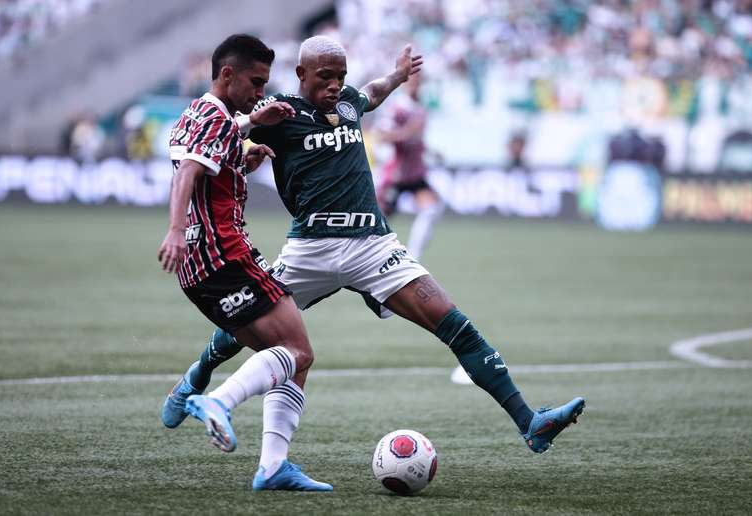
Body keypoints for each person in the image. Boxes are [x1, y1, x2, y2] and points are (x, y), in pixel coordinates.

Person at [163, 35, 585, 485]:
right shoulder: (278, 112)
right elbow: (224, 136)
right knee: (248, 329)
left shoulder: (348, 102)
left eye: (341, 76)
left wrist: (400, 76)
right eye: (325, 77)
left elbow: (375, 91)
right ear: (302, 74)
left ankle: (530, 423)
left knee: (454, 322)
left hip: (372, 244)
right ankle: (197, 376)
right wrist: (252, 137)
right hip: (310, 249)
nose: (334, 85)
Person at [158, 33, 332, 492]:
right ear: (227, 74)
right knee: (299, 353)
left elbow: (206, 159)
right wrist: (174, 228)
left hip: (202, 268)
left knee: (287, 359)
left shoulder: (201, 114)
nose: (260, 91)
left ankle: (272, 465)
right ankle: (217, 402)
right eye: (256, 82)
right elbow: (187, 172)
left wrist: (242, 155)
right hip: (225, 257)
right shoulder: (215, 115)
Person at [375, 71, 444, 259]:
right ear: (404, 83)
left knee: (432, 209)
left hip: (415, 174)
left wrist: (430, 151)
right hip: (395, 175)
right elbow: (382, 137)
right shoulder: (397, 108)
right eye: (413, 80)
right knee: (377, 222)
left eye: (419, 81)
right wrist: (407, 132)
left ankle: (413, 258)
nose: (416, 84)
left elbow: (417, 140)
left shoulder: (420, 109)